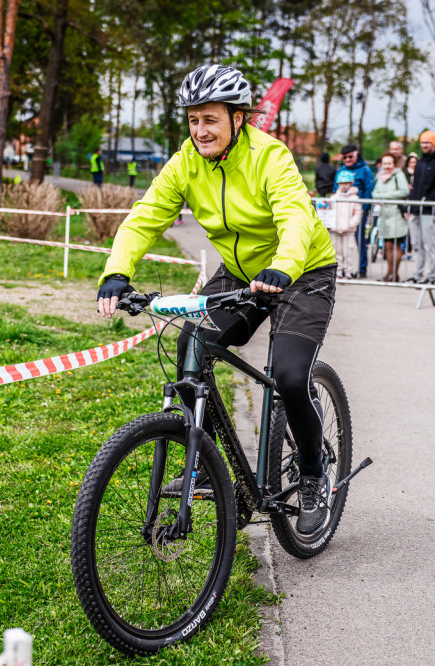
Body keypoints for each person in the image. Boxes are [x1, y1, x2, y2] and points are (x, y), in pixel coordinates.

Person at [96, 64, 339, 534]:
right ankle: (203, 460)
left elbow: (295, 217)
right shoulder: (185, 160)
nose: (200, 131)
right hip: (243, 274)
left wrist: (285, 265)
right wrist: (117, 271)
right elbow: (146, 216)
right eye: (192, 120)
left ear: (238, 118)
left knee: (289, 375)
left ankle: (312, 475)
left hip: (302, 272)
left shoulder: (270, 157)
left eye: (210, 119)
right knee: (192, 347)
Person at [406, 131, 435, 284]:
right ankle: (417, 275)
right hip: (416, 210)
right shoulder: (420, 163)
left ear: (433, 144)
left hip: (429, 211)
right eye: (422, 142)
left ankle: (431, 276)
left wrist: (427, 201)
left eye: (427, 143)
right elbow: (416, 185)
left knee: (429, 244)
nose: (424, 145)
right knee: (417, 245)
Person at [333, 144, 375, 278]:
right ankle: (341, 268)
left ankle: (360, 268)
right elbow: (336, 190)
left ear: (356, 155)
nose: (347, 159)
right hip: (342, 213)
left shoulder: (365, 170)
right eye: (344, 157)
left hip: (358, 211)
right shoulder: (341, 170)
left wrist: (363, 209)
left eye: (350, 156)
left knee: (358, 242)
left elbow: (369, 189)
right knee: (340, 245)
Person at [372, 152, 410, 281]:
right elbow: (375, 193)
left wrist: (385, 196)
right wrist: (385, 197)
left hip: (396, 214)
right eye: (384, 163)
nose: (387, 166)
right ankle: (389, 273)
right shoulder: (380, 177)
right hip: (385, 215)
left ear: (394, 164)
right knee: (387, 245)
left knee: (396, 245)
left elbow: (404, 191)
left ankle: (395, 273)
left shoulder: (398, 175)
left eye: (389, 163)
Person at [332, 168, 361, 279]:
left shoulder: (355, 198)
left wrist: (350, 224)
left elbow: (357, 214)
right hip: (335, 229)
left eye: (346, 183)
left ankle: (349, 271)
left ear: (350, 184)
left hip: (348, 229)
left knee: (350, 251)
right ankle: (338, 270)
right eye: (341, 183)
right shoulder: (334, 197)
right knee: (337, 251)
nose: (343, 186)